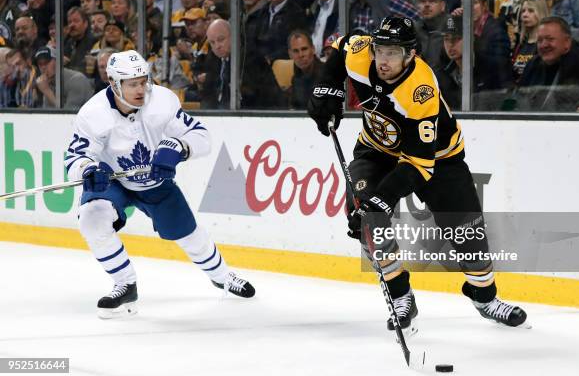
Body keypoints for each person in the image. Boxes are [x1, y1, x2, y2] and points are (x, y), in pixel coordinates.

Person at [307, 16, 528, 331]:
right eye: (380, 50)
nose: (383, 60)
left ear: (411, 55)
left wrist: (379, 200)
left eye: (393, 53)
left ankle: (485, 297)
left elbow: (417, 165)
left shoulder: (420, 90)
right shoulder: (361, 52)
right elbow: (341, 46)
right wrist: (327, 89)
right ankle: (400, 295)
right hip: (377, 149)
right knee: (369, 221)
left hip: (437, 158)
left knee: (467, 232)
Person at [64, 50, 256, 318]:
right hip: (114, 181)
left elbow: (201, 136)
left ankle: (222, 276)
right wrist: (88, 170)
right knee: (92, 217)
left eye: (143, 81)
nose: (141, 89)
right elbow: (76, 156)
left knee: (190, 234)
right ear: (114, 83)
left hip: (154, 181)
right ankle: (125, 283)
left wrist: (178, 147)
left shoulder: (162, 100)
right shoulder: (93, 113)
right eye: (132, 84)